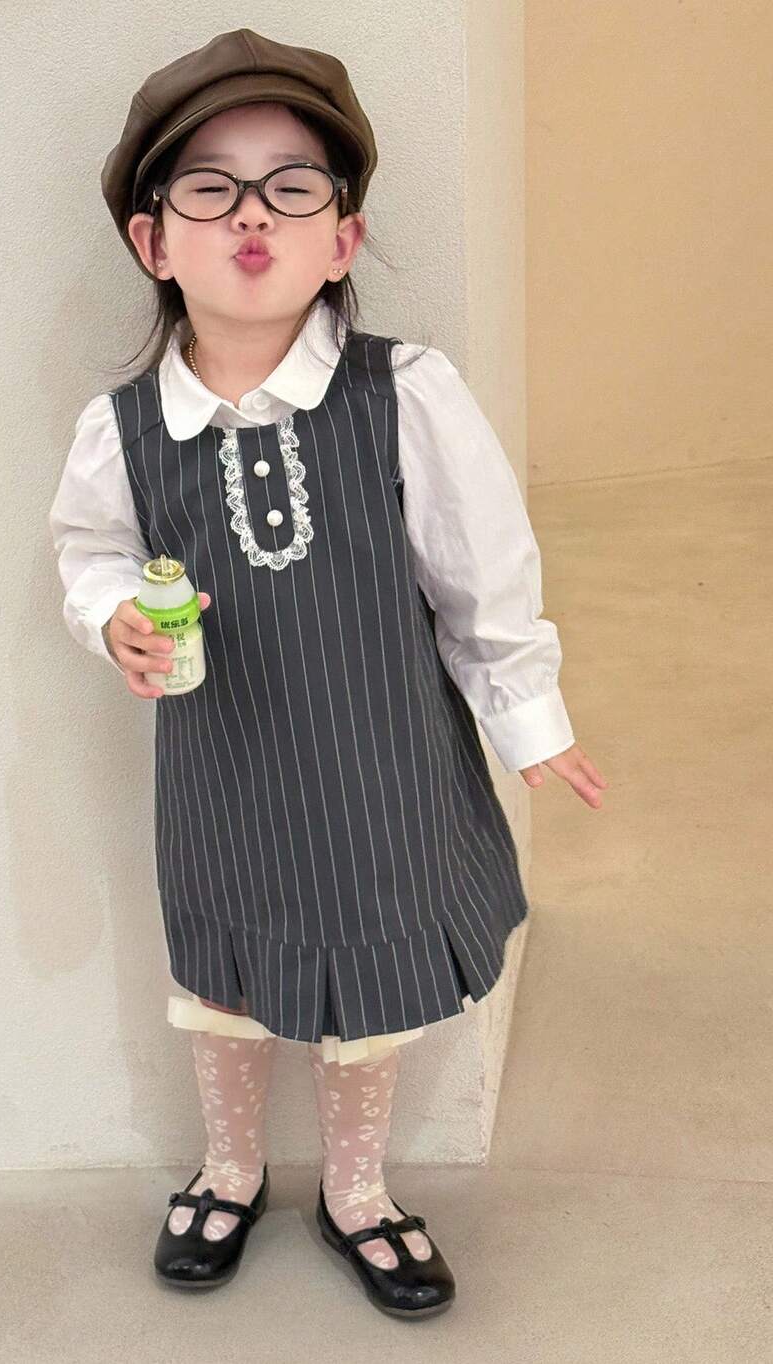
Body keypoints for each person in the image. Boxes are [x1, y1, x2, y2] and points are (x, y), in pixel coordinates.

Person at [47, 28, 607, 1318]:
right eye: (212, 188)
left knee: (372, 979)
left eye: (292, 187)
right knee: (225, 978)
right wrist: (113, 616)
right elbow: (90, 552)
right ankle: (231, 1168)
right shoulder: (122, 428)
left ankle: (357, 1189)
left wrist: (530, 718)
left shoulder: (404, 392)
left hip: (381, 767)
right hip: (222, 767)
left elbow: (482, 572)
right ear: (153, 240)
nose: (253, 215)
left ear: (342, 238)